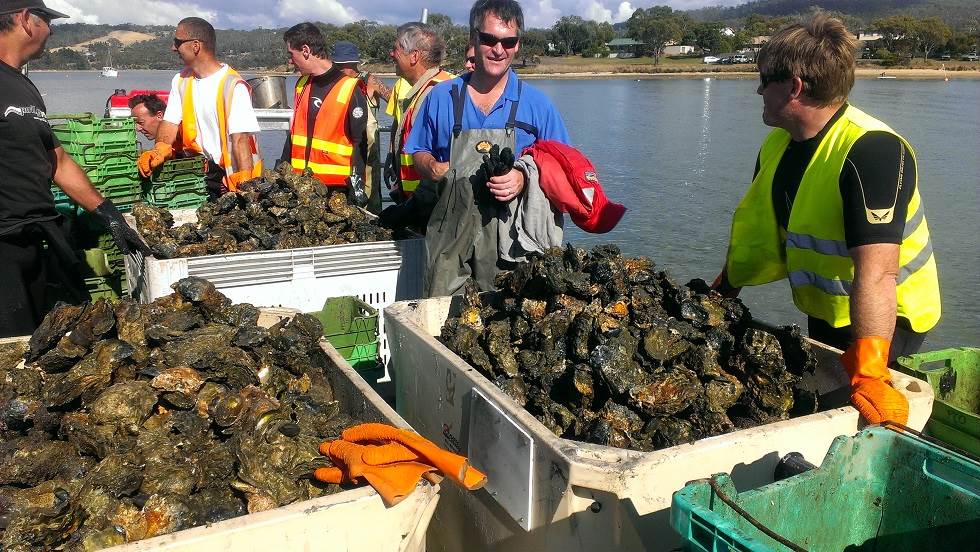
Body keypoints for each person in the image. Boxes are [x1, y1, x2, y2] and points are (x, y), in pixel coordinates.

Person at [713, 14, 941, 426]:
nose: (758, 90)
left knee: (853, 414)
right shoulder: (777, 145)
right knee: (817, 402)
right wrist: (719, 295)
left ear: (795, 86)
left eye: (764, 80)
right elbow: (759, 235)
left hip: (889, 319)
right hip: (827, 308)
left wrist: (870, 370)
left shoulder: (872, 151)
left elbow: (878, 273)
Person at [0, 0, 149, 337]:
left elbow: (57, 160)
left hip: (35, 238)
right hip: (3, 245)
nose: (51, 30)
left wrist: (107, 213)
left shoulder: (24, 86)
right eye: (46, 20)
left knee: (47, 345)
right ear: (24, 19)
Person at [404, 0, 569, 297]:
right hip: (448, 240)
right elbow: (419, 152)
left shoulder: (539, 105)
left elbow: (563, 168)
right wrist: (431, 167)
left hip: (513, 243)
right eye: (489, 39)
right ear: (473, 38)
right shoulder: (441, 97)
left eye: (509, 41)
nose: (498, 49)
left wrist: (524, 177)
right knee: (442, 314)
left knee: (509, 314)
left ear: (518, 45)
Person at [139, 17, 262, 199]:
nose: (173, 48)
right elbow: (170, 123)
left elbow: (240, 140)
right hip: (198, 174)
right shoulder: (181, 80)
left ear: (196, 46)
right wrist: (160, 148)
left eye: (178, 42)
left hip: (226, 179)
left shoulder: (233, 86)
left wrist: (246, 184)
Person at [279, 26, 368, 206]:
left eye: (291, 54)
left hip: (336, 192)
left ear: (306, 50)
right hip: (300, 188)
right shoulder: (302, 84)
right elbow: (294, 135)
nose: (290, 61)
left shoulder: (349, 88)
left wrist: (357, 186)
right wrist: (281, 172)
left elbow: (360, 143)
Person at [385, 22, 454, 204]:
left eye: (396, 49)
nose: (391, 54)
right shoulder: (432, 87)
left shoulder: (433, 93)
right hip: (418, 200)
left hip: (428, 205)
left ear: (414, 56)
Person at [331, 40, 384, 213]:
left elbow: (394, 101)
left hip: (367, 147)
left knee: (370, 189)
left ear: (354, 64)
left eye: (342, 66)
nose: (339, 70)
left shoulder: (368, 80)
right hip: (344, 148)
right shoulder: (334, 84)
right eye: (337, 66)